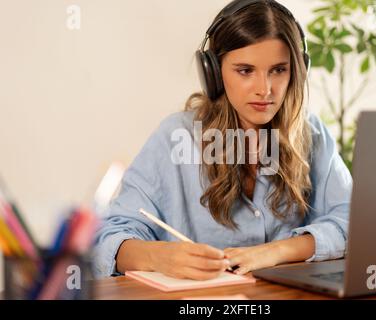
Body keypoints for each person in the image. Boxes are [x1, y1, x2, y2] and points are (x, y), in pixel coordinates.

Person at [93, 0, 352, 280]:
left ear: (298, 71)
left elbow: (355, 222)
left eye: (278, 70)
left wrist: (275, 251)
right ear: (213, 72)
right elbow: (107, 238)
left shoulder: (311, 132)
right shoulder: (176, 137)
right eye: (245, 71)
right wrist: (159, 257)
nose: (265, 90)